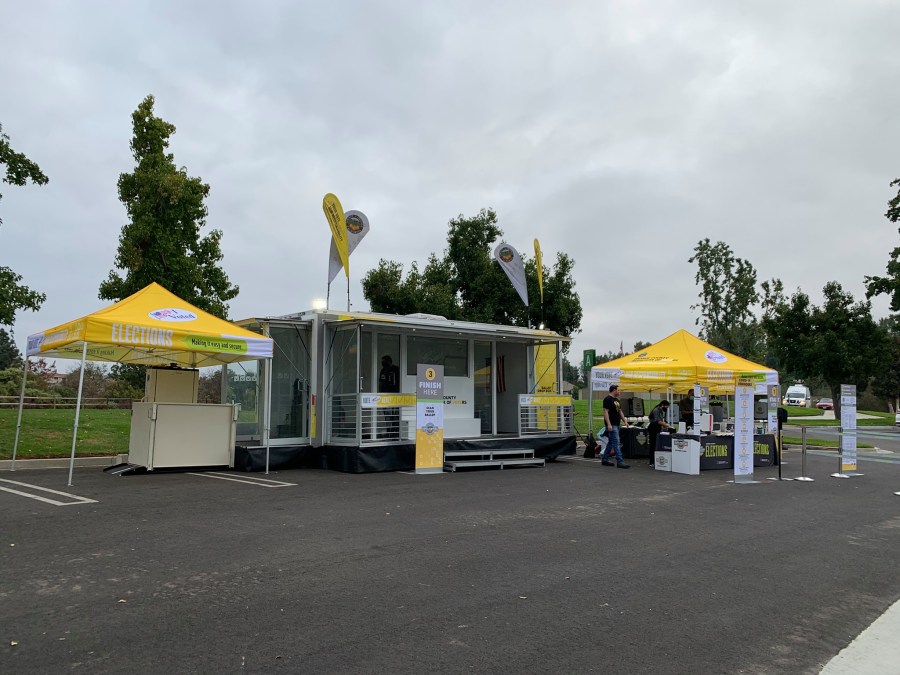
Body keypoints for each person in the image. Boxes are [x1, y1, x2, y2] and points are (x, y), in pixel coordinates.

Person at [600, 384, 630, 468]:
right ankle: (620, 461)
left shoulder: (617, 400)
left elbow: (620, 411)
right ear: (614, 390)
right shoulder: (607, 399)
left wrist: (625, 421)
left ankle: (605, 459)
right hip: (612, 424)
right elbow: (605, 412)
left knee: (611, 442)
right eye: (619, 390)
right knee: (616, 442)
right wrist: (608, 424)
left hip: (617, 424)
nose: (620, 391)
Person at [378, 355, 401, 438]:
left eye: (384, 361)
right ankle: (389, 432)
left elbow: (400, 382)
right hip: (385, 397)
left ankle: (395, 433)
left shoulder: (396, 369)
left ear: (389, 361)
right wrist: (380, 395)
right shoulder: (383, 371)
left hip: (395, 395)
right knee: (387, 415)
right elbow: (380, 383)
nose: (383, 363)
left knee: (395, 415)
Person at [647, 400, 673, 467]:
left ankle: (655, 460)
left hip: (657, 428)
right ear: (662, 405)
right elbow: (658, 421)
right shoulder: (656, 410)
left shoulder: (661, 411)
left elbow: (661, 420)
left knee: (656, 444)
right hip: (653, 428)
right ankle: (651, 462)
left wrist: (664, 425)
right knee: (653, 445)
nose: (666, 408)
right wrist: (667, 425)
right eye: (666, 407)